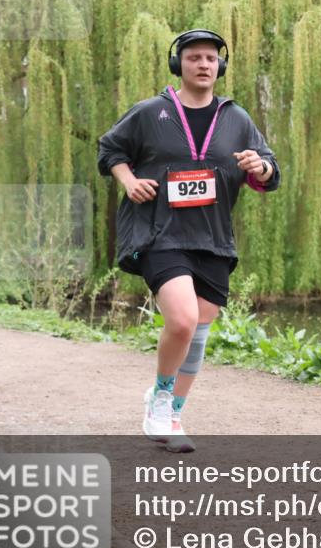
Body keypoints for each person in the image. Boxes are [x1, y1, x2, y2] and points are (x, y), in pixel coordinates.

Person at [97, 29, 280, 452]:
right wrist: (128, 180)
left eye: (211, 59)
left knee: (197, 331)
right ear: (178, 64)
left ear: (221, 66)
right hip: (160, 232)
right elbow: (110, 150)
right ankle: (161, 396)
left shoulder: (237, 118)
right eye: (194, 57)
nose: (203, 64)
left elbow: (268, 171)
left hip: (214, 238)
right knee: (180, 319)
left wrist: (261, 167)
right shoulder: (149, 112)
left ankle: (173, 413)